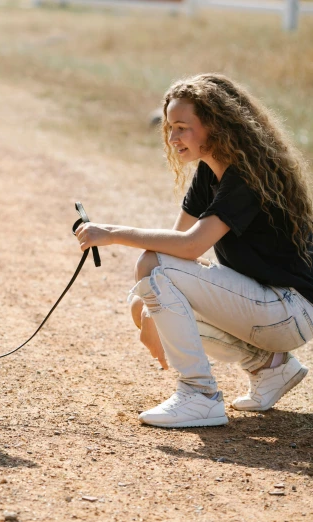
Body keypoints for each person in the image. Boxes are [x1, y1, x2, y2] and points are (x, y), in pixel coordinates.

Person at [75, 73, 311, 428]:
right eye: (170, 127)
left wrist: (109, 232)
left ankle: (200, 396)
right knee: (143, 297)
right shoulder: (208, 173)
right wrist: (148, 312)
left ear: (216, 126)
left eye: (182, 127)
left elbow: (189, 247)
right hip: (269, 307)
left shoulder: (246, 176)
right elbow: (175, 247)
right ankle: (270, 367)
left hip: (290, 309)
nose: (172, 138)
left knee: (153, 269)